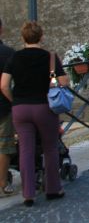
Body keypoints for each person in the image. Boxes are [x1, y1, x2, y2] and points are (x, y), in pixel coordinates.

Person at [0, 21, 68, 207]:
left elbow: (4, 85)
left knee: (26, 150)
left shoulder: (14, 58)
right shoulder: (50, 58)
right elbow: (63, 82)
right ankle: (53, 189)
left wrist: (15, 100)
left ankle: (28, 193)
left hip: (21, 108)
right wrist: (52, 79)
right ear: (41, 37)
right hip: (44, 106)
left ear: (23, 38)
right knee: (50, 148)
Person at [0, 18, 17, 197]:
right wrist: (13, 100)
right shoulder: (8, 53)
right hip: (3, 106)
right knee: (4, 146)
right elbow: (6, 85)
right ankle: (3, 182)